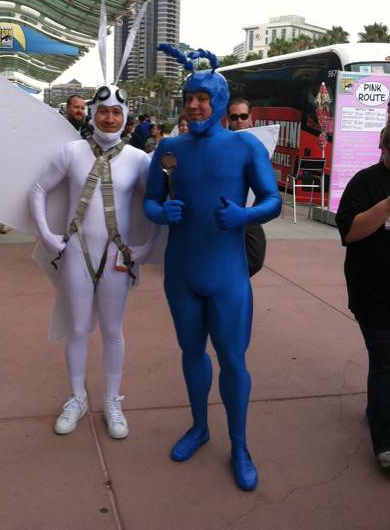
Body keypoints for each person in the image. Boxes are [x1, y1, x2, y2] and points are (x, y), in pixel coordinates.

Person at [144, 45, 281, 491]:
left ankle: (239, 446)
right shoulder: (169, 148)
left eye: (203, 98)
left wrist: (244, 216)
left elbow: (272, 200)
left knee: (233, 361)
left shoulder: (245, 145)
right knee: (190, 352)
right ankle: (199, 427)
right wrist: (161, 213)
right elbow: (150, 200)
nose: (194, 105)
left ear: (219, 101)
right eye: (189, 98)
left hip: (227, 274)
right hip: (182, 271)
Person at [29, 85, 156, 440]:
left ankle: (113, 400)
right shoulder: (71, 152)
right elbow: (38, 189)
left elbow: (157, 204)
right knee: (78, 328)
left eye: (116, 112)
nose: (109, 118)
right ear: (92, 113)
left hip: (117, 255)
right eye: (103, 111)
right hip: (76, 253)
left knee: (113, 330)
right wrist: (46, 235)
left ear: (125, 116)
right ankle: (77, 397)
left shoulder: (138, 160)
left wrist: (148, 246)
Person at [335, 124, 390, 471]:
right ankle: (385, 442)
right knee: (385, 361)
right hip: (373, 292)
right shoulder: (364, 182)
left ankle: (377, 409)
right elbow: (350, 232)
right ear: (384, 146)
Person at [227, 98, 267, 277]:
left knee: (255, 258)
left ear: (250, 117)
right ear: (228, 119)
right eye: (234, 117)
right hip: (227, 209)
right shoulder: (221, 143)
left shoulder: (261, 143)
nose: (239, 120)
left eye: (243, 116)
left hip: (249, 211)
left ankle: (232, 280)